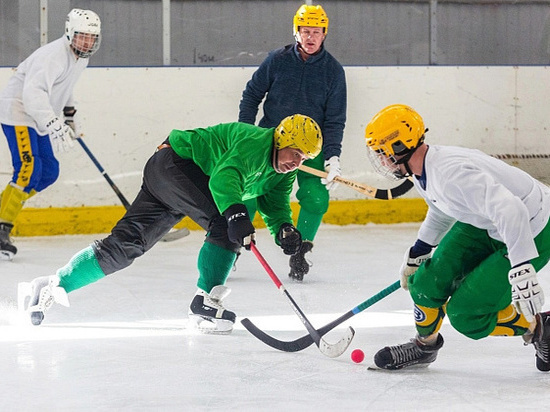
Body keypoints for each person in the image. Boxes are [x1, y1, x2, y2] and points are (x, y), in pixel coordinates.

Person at [17, 114, 323, 335]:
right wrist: (236, 215)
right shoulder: (256, 143)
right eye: (295, 153)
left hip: (171, 175)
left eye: (304, 157)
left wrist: (285, 229)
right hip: (177, 165)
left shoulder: (284, 171)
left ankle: (52, 283)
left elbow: (275, 202)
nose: (297, 162)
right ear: (281, 139)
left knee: (125, 247)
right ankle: (204, 302)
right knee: (224, 222)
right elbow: (223, 178)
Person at [363, 104, 550, 372]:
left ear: (400, 147)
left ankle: (540, 328)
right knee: (426, 282)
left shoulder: (451, 174)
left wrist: (522, 268)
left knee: (467, 315)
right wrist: (420, 250)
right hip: (489, 223)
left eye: (382, 153)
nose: (381, 160)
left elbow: (512, 210)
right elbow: (442, 208)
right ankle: (424, 346)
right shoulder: (422, 167)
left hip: (533, 227)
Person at [238, 4, 346, 281]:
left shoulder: (333, 71)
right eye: (305, 31)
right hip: (271, 144)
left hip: (312, 149)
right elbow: (251, 96)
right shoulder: (277, 60)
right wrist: (245, 133)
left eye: (317, 32)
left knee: (316, 197)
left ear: (324, 34)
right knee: (247, 194)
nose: (311, 37)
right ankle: (229, 247)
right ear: (296, 32)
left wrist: (333, 157)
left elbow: (334, 120)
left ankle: (301, 250)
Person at [0, 8, 101, 260]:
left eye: (92, 38)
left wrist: (69, 116)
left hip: (39, 115)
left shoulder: (80, 58)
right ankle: (3, 227)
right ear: (69, 33)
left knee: (48, 173)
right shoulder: (53, 56)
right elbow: (33, 95)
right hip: (19, 111)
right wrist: (54, 123)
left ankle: (2, 211)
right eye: (82, 36)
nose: (87, 42)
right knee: (28, 166)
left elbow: (64, 87)